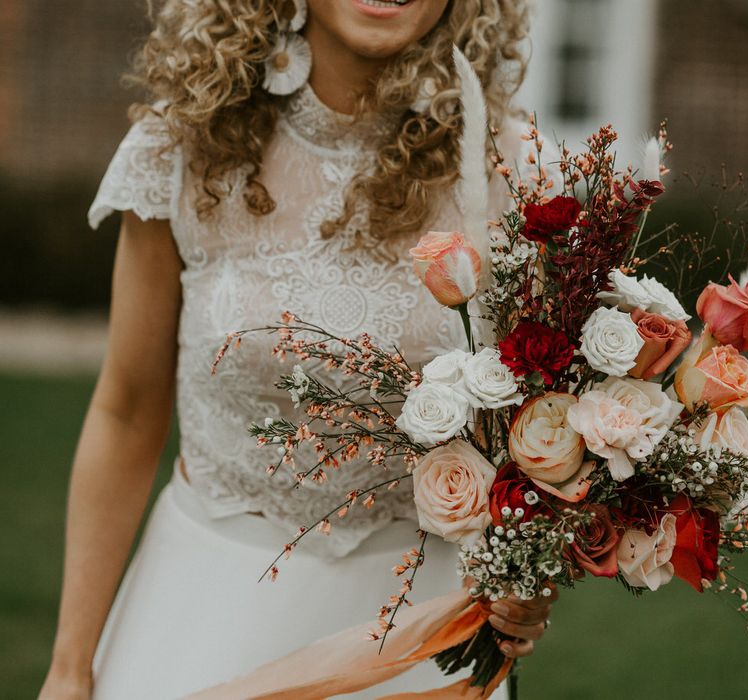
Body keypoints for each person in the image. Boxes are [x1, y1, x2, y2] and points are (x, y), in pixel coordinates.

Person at [39, 1, 557, 698]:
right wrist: (70, 668)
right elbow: (126, 412)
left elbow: (549, 422)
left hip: (418, 633)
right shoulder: (183, 147)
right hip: (201, 611)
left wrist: (531, 573)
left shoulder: (513, 169)